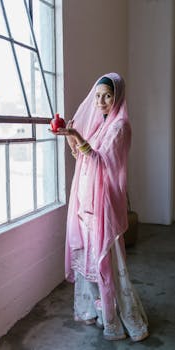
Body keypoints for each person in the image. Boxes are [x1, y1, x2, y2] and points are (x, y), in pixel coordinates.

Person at [51, 73, 149, 341]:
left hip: (104, 202)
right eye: (98, 95)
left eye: (107, 95)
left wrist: (76, 135)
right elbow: (85, 157)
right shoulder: (100, 125)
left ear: (117, 97)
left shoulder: (119, 127)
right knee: (89, 259)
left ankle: (114, 320)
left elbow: (101, 162)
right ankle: (97, 308)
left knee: (105, 260)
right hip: (87, 199)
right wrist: (73, 139)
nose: (102, 101)